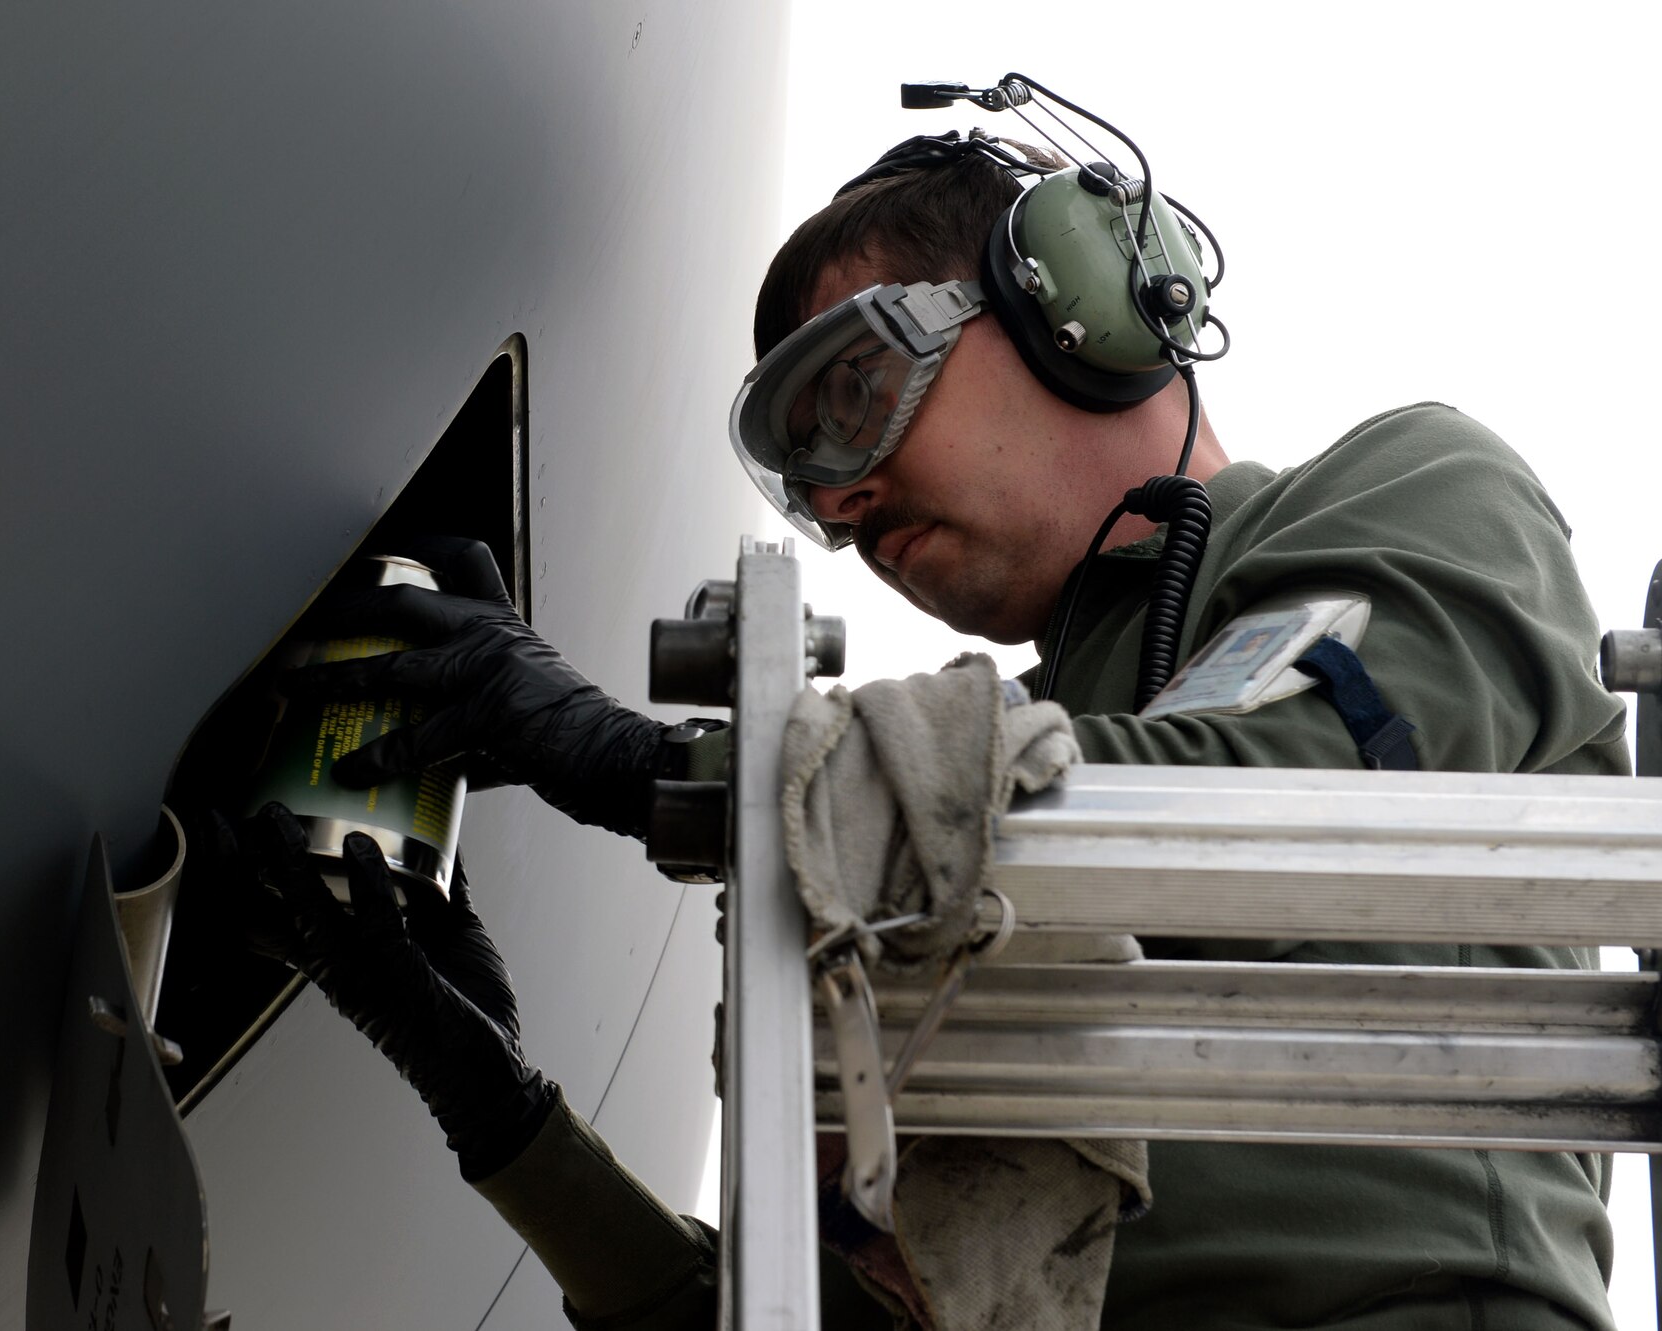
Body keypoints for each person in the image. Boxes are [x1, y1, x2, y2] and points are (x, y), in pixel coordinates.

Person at [242, 125, 1630, 1329]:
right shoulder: (947, 818)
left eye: (851, 396)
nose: (839, 507)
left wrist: (645, 767)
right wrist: (501, 1108)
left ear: (1073, 303)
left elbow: (1293, 787)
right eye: (802, 475)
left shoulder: (1411, 488)